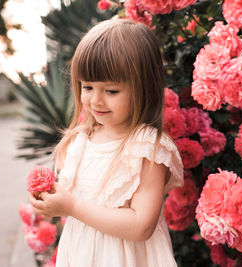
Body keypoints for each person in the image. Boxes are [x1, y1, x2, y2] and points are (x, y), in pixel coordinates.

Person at [29, 19, 184, 267]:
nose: (96, 100)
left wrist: (73, 207)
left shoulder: (146, 147)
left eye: (111, 91)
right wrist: (50, 202)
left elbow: (141, 226)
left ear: (143, 89)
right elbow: (72, 202)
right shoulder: (82, 141)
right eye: (87, 87)